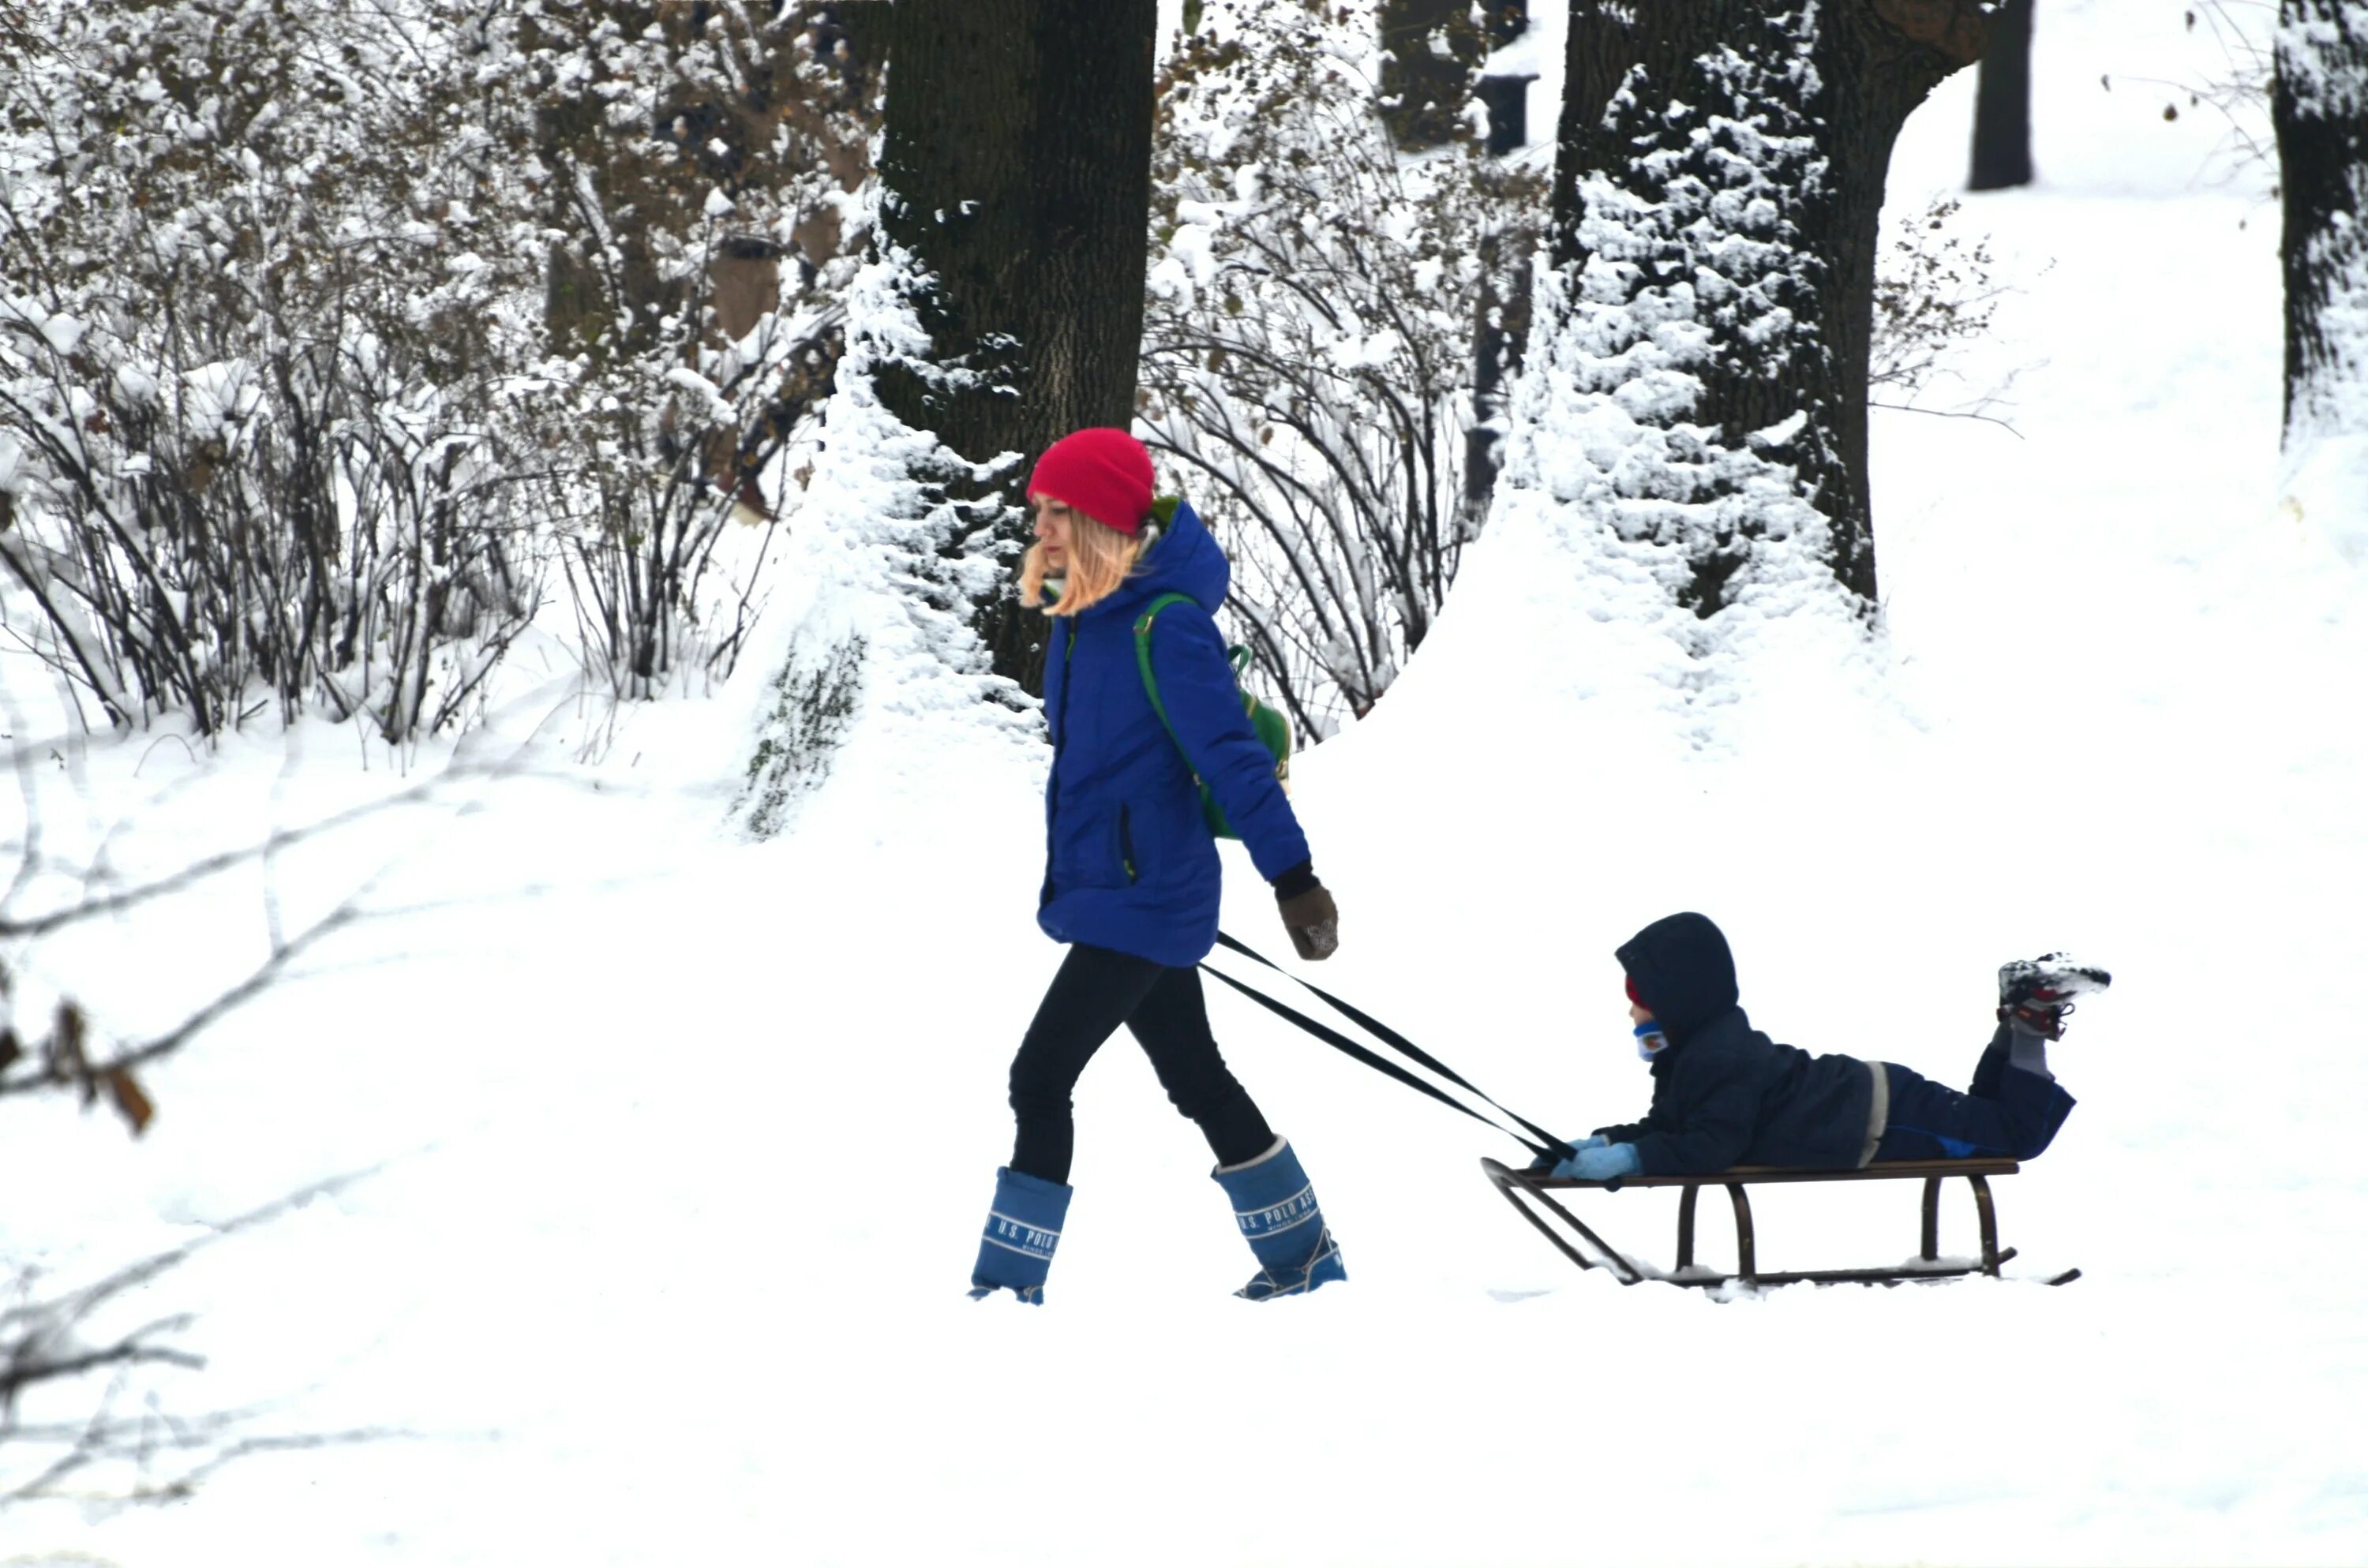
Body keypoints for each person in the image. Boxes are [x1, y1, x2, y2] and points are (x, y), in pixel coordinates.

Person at [967, 428, 1346, 1304]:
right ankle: (1306, 1257)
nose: (1046, 530)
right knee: (1196, 1075)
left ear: (1103, 519)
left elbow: (1231, 761)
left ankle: (1005, 1288)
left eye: (1063, 513)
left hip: (1150, 897)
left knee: (1040, 1075)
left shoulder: (1165, 628)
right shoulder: (1077, 624)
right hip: (1110, 890)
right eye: (1041, 513)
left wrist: (1294, 878)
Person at [1548, 911, 2110, 1182]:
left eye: (1640, 1000)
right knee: (1993, 1121)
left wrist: (1627, 1159)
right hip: (1871, 1104)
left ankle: (2029, 1020)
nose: (1632, 1012)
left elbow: (1709, 1144)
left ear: (1678, 1000)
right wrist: (1600, 1143)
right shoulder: (1697, 1057)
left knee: (2015, 1135)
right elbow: (1674, 1127)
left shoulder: (1718, 1059)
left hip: (1882, 1118)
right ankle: (2022, 1009)